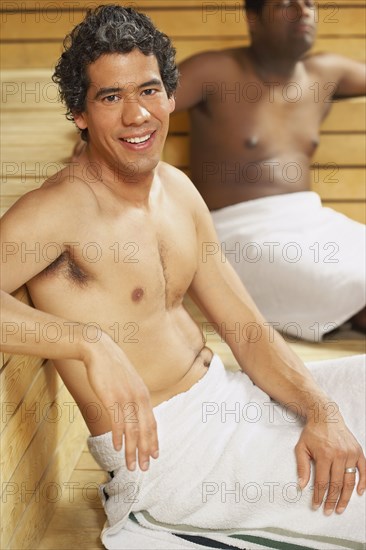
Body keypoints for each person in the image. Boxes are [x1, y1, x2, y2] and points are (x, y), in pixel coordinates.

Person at [0, 5, 365, 549]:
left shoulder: (177, 189)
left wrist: (320, 411)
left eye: (148, 91)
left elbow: (247, 330)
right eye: (109, 97)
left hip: (233, 396)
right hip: (170, 453)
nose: (136, 116)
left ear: (171, 96)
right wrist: (87, 343)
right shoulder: (57, 211)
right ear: (79, 113)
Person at [173, 0, 366, 341]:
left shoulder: (325, 73)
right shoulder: (215, 71)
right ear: (252, 17)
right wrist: (96, 139)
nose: (302, 11)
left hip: (314, 221)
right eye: (285, 4)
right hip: (236, 234)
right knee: (356, 283)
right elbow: (143, 103)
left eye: (308, 3)